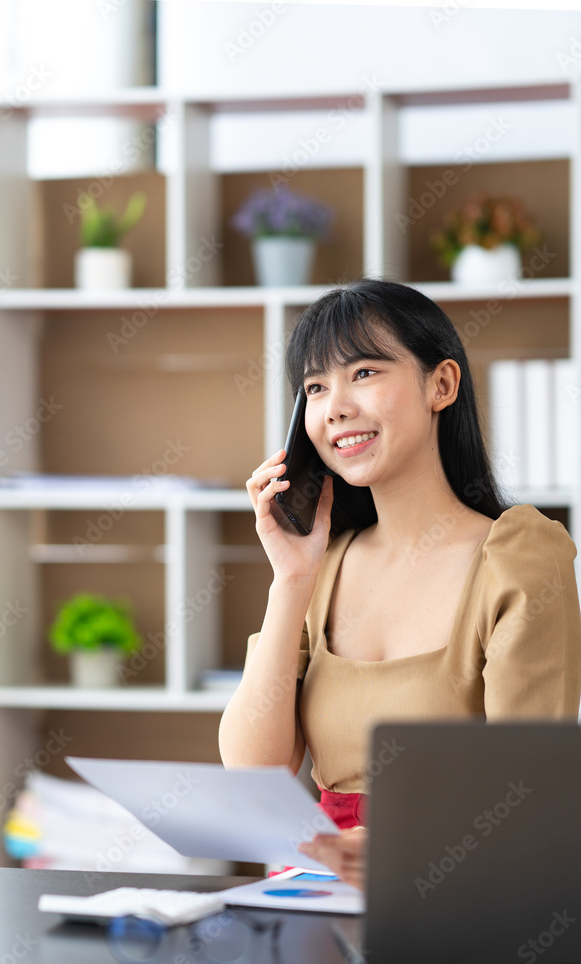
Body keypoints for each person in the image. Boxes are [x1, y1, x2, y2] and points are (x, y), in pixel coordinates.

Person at [218, 278, 581, 890]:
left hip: (461, 893)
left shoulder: (518, 554)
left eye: (362, 373)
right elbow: (255, 771)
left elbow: (529, 791)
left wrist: (404, 846)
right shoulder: (325, 562)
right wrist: (292, 579)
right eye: (314, 386)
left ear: (442, 385)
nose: (334, 406)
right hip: (317, 893)